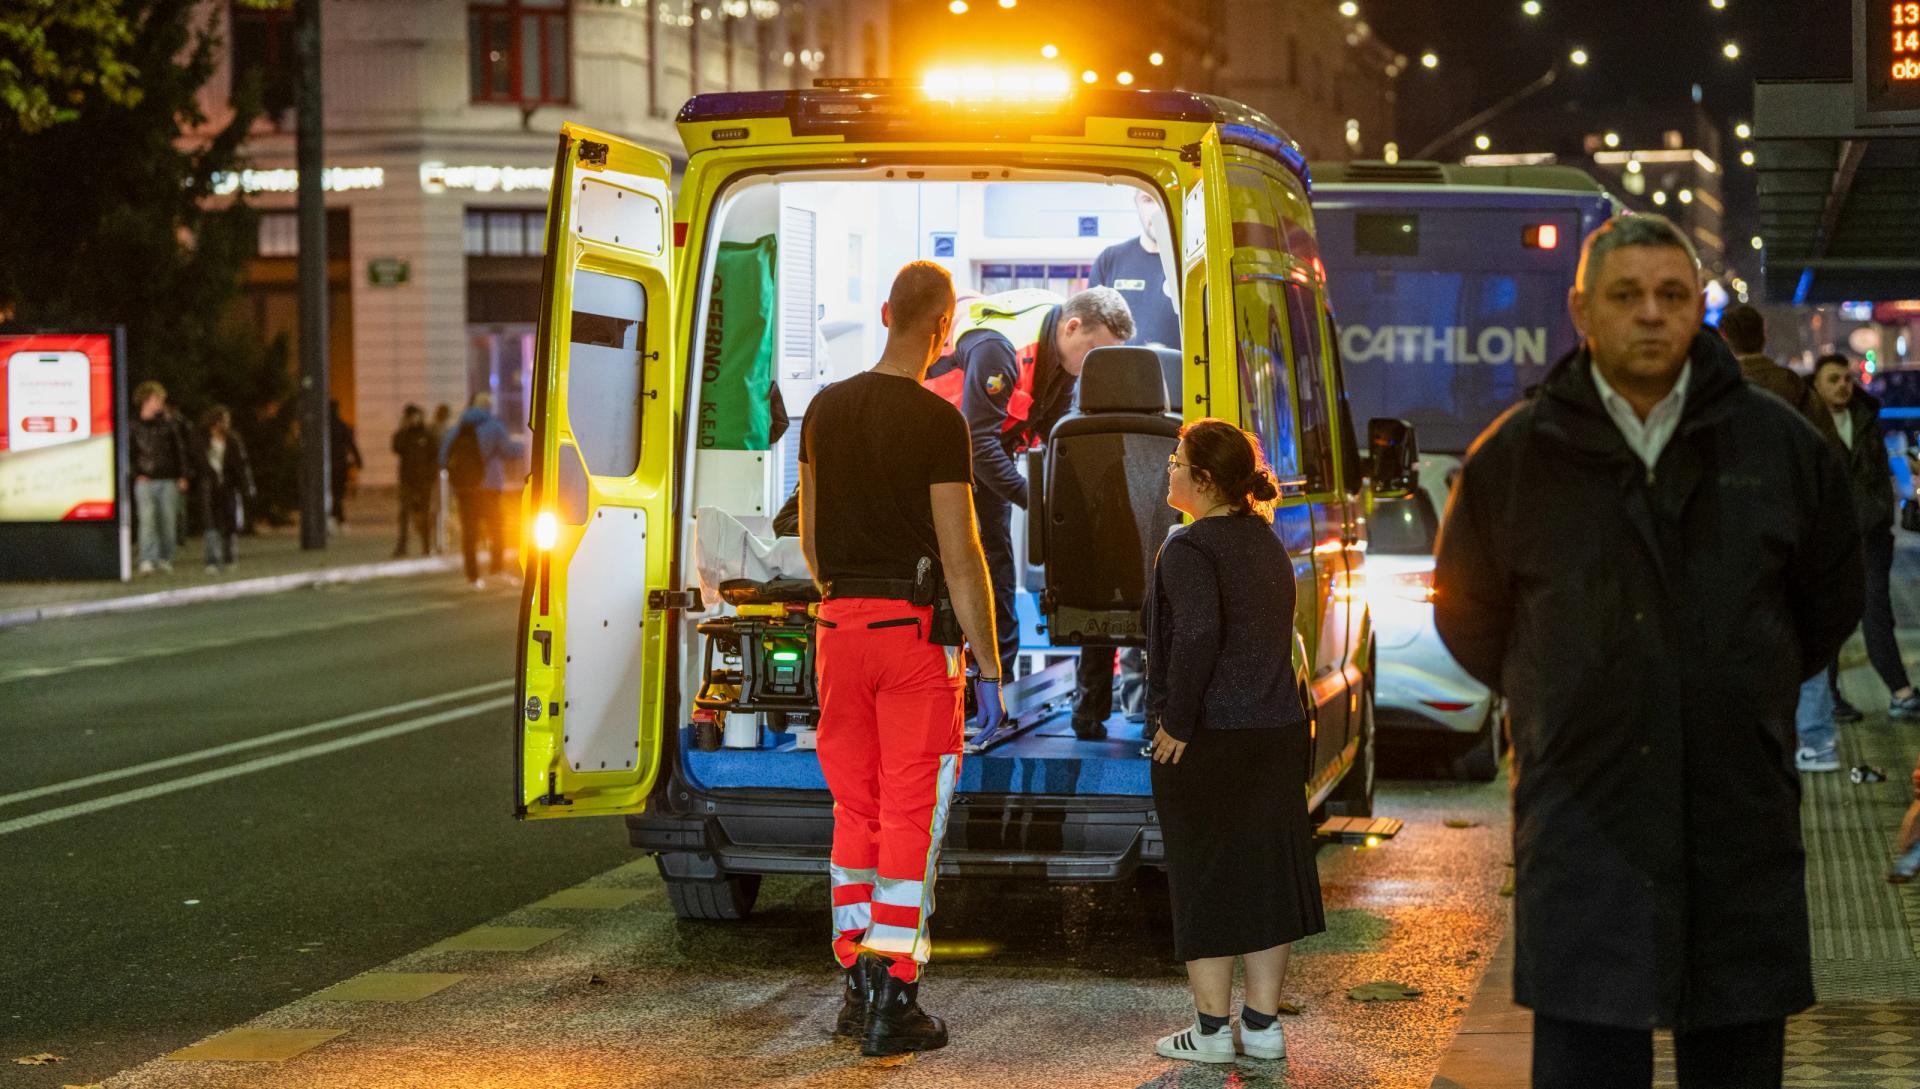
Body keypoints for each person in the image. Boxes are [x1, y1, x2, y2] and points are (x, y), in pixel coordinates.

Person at [1432, 214, 1864, 1089]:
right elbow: (1468, 611)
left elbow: (1829, 599)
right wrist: (1554, 691)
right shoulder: (1518, 456)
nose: (1652, 315)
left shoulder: (1778, 447)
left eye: (1673, 295)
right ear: (1583, 309)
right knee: (1586, 1059)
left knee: (1738, 1056)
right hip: (1585, 811)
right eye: (1627, 296)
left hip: (1734, 814)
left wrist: (1744, 691)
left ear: (1700, 307)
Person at [797, 261, 1004, 1059]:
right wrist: (987, 662)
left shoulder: (824, 408)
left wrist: (836, 601)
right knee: (913, 815)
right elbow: (962, 553)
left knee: (855, 807)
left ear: (887, 312)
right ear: (944, 328)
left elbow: (811, 538)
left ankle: (854, 980)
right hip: (914, 640)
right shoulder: (937, 420)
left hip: (838, 630)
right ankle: (895, 995)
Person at [1145, 418, 1321, 1065]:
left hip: (1212, 739)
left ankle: (1214, 1032)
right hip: (1275, 731)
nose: (1169, 468)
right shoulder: (1265, 541)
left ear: (1206, 479)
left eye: (1177, 460)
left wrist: (1176, 723)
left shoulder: (1190, 547)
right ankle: (1263, 1025)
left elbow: (1196, 636)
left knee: (1206, 878)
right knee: (1268, 878)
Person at [922, 287, 1134, 691]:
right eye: (1094, 351)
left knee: (996, 558)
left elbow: (1052, 432)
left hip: (980, 445)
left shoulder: (1062, 357)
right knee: (966, 559)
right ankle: (960, 679)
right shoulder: (999, 350)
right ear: (1073, 327)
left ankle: (995, 679)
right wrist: (1037, 503)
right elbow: (978, 445)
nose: (1095, 365)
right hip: (935, 449)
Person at [1074, 193, 1180, 738]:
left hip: (1163, 438)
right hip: (1108, 442)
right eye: (1142, 197)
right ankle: (1097, 705)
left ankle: (1141, 707)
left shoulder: (1189, 261)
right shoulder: (1113, 261)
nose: (1151, 208)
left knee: (1147, 570)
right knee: (1108, 568)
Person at [1812, 353, 1920, 720]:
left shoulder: (1865, 419)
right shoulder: (1805, 424)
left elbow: (1876, 476)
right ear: (1816, 385)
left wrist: (1876, 514)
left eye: (1846, 379)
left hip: (1871, 536)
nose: (1843, 385)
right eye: (1833, 379)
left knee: (1876, 609)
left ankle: (1900, 692)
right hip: (1826, 541)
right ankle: (1828, 697)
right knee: (1827, 617)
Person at [441, 392, 524, 590]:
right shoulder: (494, 426)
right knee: (496, 527)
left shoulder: (458, 428)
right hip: (489, 487)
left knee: (469, 531)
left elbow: (443, 457)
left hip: (465, 488)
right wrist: (525, 445)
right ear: (488, 407)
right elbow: (510, 451)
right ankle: (496, 569)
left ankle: (473, 577)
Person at [130, 380, 191, 575]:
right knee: (147, 520)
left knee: (167, 521)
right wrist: (136, 474)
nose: (161, 403)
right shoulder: (134, 425)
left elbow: (179, 450)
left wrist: (183, 475)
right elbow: (128, 453)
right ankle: (147, 558)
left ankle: (165, 557)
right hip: (145, 479)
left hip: (168, 479)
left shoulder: (169, 424)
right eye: (158, 399)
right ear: (146, 400)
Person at [193, 405, 254, 572]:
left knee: (230, 523)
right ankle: (211, 560)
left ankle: (229, 557)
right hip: (209, 486)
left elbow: (242, 465)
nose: (226, 424)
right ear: (215, 422)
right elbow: (198, 462)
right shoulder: (201, 439)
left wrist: (247, 486)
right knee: (210, 523)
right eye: (223, 421)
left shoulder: (233, 440)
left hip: (228, 486)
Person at [391, 404, 439, 557]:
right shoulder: (404, 435)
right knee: (404, 513)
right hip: (407, 480)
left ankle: (426, 545)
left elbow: (434, 456)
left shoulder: (427, 435)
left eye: (415, 416)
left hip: (424, 481)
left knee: (424, 514)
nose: (413, 420)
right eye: (409, 417)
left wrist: (431, 476)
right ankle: (402, 546)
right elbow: (397, 448)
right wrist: (403, 429)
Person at [328, 399, 363, 529]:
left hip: (329, 465)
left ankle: (335, 518)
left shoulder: (324, 427)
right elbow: (351, 444)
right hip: (340, 464)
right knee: (338, 493)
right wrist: (359, 461)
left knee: (332, 492)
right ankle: (337, 519)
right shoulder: (342, 426)